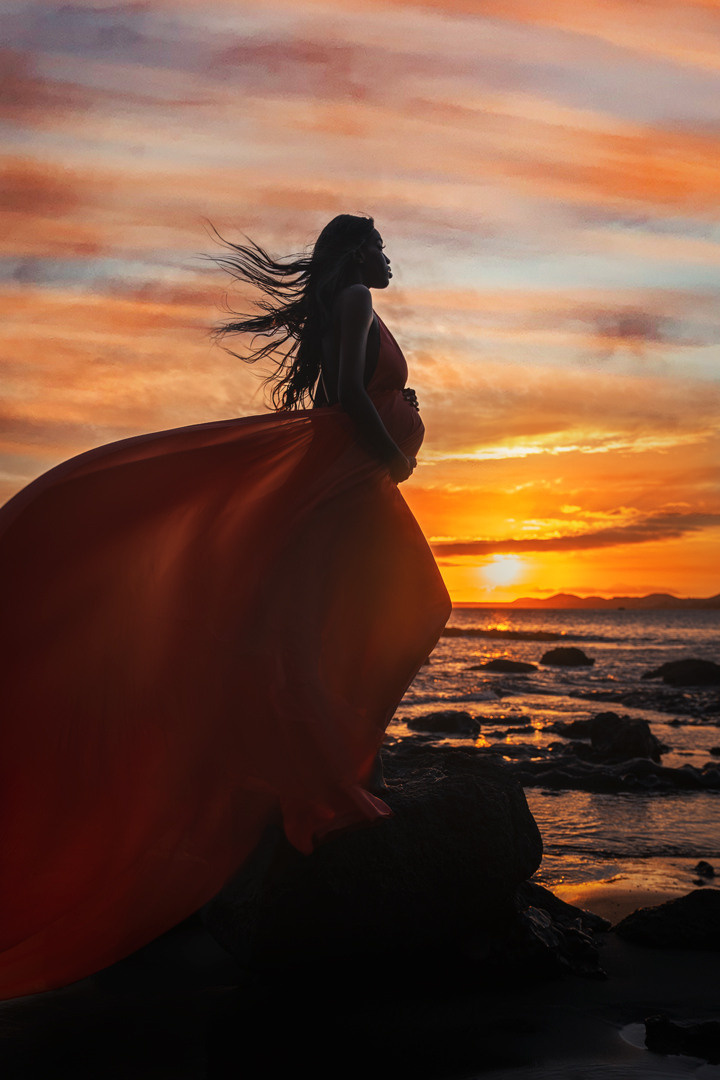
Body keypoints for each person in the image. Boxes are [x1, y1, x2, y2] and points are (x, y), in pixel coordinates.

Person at [0, 214, 451, 1000]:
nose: (388, 259)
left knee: (335, 621)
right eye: (378, 247)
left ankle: (346, 771)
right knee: (410, 605)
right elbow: (346, 394)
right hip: (351, 481)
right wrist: (389, 450)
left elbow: (352, 391)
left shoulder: (351, 303)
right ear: (353, 253)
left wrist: (395, 430)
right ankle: (340, 777)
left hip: (355, 482)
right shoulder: (351, 301)